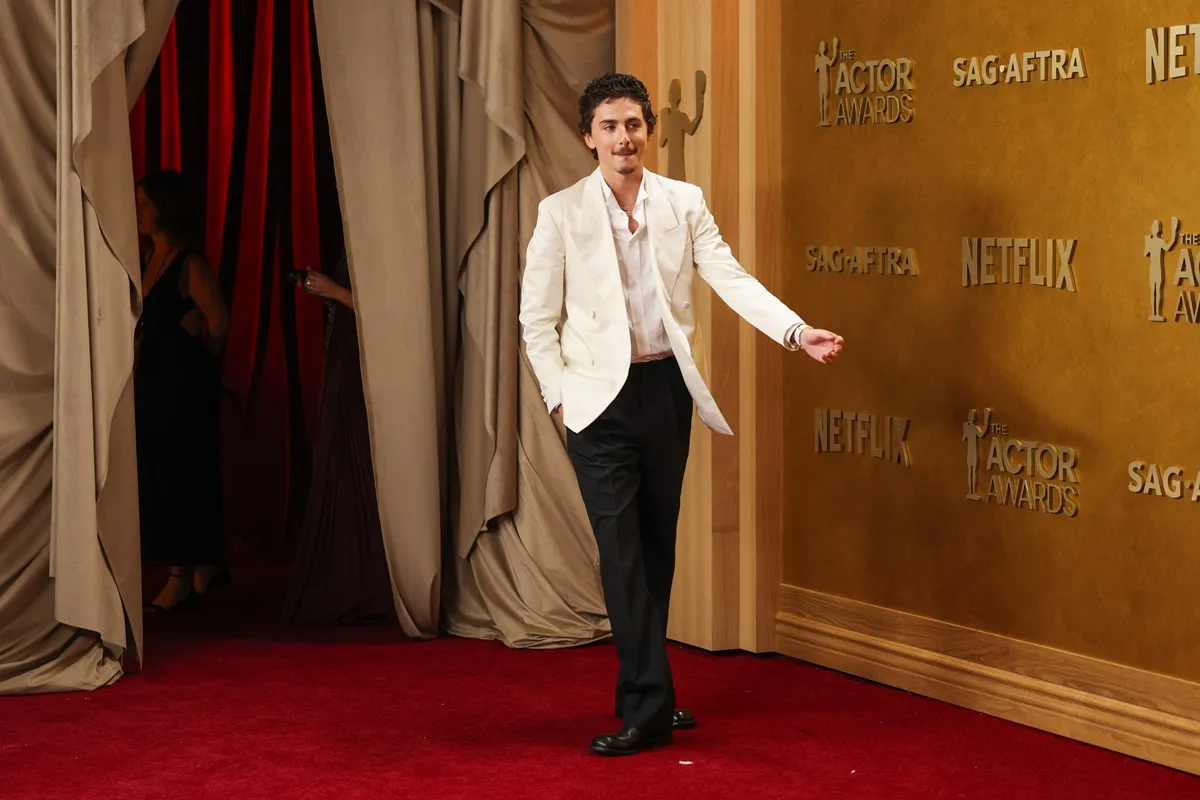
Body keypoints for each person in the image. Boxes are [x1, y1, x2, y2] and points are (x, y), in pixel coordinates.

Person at [519, 72, 844, 756]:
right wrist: (561, 399)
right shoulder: (560, 214)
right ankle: (648, 708)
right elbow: (536, 321)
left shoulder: (683, 202)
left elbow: (730, 276)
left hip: (666, 393)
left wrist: (796, 331)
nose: (623, 137)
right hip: (597, 403)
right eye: (608, 126)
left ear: (649, 132)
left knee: (656, 547)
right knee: (621, 554)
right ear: (588, 138)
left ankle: (650, 689)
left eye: (633, 124)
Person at [134, 170, 230, 611]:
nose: (138, 211)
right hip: (151, 382)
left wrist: (198, 361)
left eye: (145, 203)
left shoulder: (189, 263)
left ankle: (181, 575)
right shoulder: (147, 257)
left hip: (180, 387)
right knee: (159, 472)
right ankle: (195, 565)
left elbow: (219, 322)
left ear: (165, 208)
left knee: (179, 474)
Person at [281, 257, 396, 626]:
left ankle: (372, 583)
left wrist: (333, 291)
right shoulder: (348, 242)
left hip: (361, 369)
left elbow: (388, 306)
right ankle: (350, 577)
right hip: (344, 364)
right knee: (343, 466)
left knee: (360, 464)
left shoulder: (380, 240)